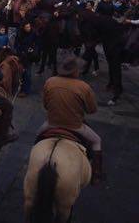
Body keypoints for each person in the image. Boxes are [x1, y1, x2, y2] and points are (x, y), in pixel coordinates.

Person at [38, 56, 102, 184]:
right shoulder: (84, 87)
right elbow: (92, 110)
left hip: (51, 123)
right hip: (75, 126)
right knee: (97, 141)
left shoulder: (50, 81)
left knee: (37, 137)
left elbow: (45, 105)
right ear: (75, 71)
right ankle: (96, 174)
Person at [14, 22, 38, 97]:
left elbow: (36, 44)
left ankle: (26, 90)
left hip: (28, 56)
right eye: (26, 27)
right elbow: (16, 44)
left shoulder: (33, 34)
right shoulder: (20, 34)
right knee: (21, 72)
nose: (28, 28)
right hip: (21, 55)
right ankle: (20, 88)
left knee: (27, 73)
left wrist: (33, 49)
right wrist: (19, 51)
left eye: (29, 27)